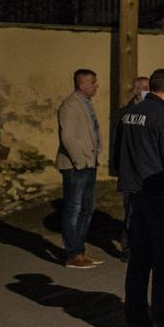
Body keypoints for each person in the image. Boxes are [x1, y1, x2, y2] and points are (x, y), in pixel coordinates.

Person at [115, 69, 164, 327]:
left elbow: (118, 152)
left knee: (139, 258)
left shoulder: (128, 114)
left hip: (134, 194)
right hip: (159, 196)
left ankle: (135, 314)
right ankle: (162, 314)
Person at [55, 68, 102, 268]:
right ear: (82, 84)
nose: (95, 85)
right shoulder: (70, 105)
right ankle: (72, 254)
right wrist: (80, 161)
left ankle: (80, 251)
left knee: (86, 209)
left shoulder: (86, 104)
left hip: (89, 164)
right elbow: (68, 137)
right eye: (92, 82)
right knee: (74, 209)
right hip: (77, 166)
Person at [108, 76, 150, 258]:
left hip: (147, 170)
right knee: (131, 211)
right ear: (135, 90)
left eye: (148, 87)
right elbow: (117, 143)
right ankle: (128, 247)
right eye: (142, 87)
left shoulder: (152, 111)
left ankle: (144, 246)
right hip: (131, 170)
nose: (145, 91)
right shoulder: (124, 113)